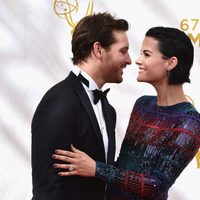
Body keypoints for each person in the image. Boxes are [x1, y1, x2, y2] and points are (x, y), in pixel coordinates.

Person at [52, 26, 200, 200]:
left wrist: (96, 168)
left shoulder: (190, 121)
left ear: (171, 63)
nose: (137, 60)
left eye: (146, 54)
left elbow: (156, 186)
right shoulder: (142, 104)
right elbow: (122, 166)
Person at [31, 12, 132, 200]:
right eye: (123, 51)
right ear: (98, 50)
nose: (129, 60)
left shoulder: (109, 111)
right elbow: (47, 190)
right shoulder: (59, 101)